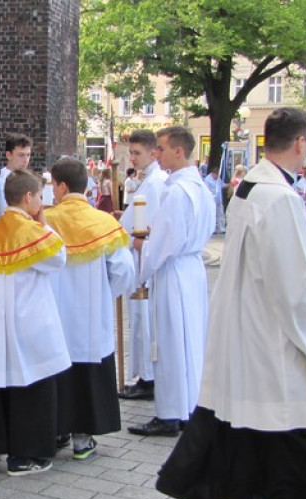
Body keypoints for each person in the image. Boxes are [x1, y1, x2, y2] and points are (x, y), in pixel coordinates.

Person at [156, 107, 306, 499]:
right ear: (300, 142)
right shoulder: (279, 197)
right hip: (271, 327)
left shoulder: (252, 184)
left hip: (243, 316)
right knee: (286, 421)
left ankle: (195, 482)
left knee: (234, 410)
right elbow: (291, 280)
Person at [0, 169, 70, 476]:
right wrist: (43, 222)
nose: (42, 203)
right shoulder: (31, 231)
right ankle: (25, 456)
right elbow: (59, 257)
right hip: (28, 324)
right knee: (32, 384)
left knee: (1, 384)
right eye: (40, 197)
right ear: (29, 198)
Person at [45, 158, 136, 459]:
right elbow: (124, 269)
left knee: (56, 368)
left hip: (56, 311)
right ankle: (83, 439)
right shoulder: (104, 222)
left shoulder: (46, 221)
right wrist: (103, 294)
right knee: (88, 371)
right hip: (90, 313)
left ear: (61, 185)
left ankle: (57, 429)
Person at [128, 126, 215, 437]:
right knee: (188, 342)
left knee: (168, 343)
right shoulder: (200, 187)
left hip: (173, 271)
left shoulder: (177, 191)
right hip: (190, 270)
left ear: (179, 152)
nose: (156, 154)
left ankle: (169, 414)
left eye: (161, 149)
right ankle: (186, 407)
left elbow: (164, 241)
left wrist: (142, 252)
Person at [116, 130, 166, 400]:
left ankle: (148, 377)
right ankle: (143, 375)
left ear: (152, 152)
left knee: (144, 320)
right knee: (138, 319)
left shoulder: (156, 183)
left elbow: (152, 222)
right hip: (137, 257)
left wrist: (136, 237)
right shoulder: (145, 181)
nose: (132, 158)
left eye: (136, 153)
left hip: (144, 258)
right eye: (131, 153)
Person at [0, 133, 33, 218]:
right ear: (9, 155)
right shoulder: (3, 184)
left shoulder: (26, 179)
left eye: (28, 155)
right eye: (21, 155)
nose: (26, 160)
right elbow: (5, 215)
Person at [204, 167, 225, 234]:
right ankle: (213, 229)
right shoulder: (207, 179)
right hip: (212, 199)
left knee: (220, 214)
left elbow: (221, 185)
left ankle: (221, 228)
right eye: (217, 175)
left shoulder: (218, 179)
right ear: (213, 174)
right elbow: (207, 190)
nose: (217, 176)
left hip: (219, 199)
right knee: (213, 214)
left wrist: (229, 185)